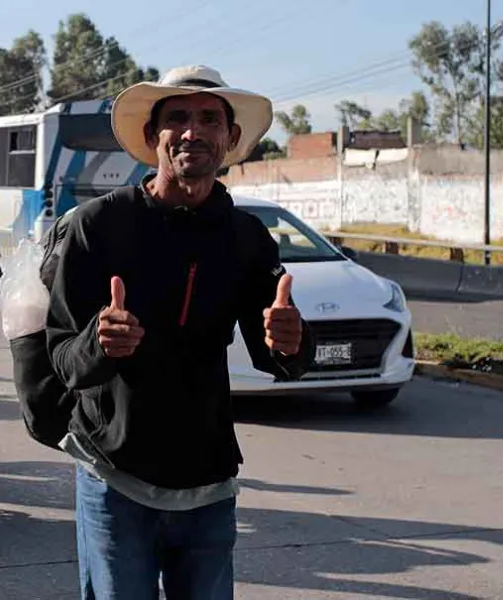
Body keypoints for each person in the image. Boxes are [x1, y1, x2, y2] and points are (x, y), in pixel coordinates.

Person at [45, 65, 312, 599]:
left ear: (231, 139)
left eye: (210, 119)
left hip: (208, 481)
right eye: (178, 118)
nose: (195, 131)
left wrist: (290, 341)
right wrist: (100, 342)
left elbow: (272, 354)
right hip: (114, 473)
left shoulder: (246, 238)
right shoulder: (95, 226)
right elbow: (61, 357)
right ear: (153, 136)